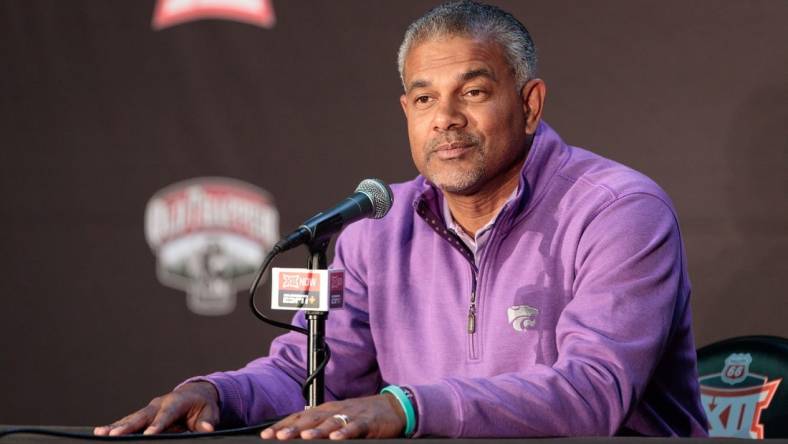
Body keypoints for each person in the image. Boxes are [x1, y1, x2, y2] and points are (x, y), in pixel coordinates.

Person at [95, 1, 708, 439]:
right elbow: (311, 375)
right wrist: (217, 395)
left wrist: (408, 409)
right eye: (423, 98)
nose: (444, 118)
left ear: (529, 103)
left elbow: (591, 394)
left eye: (471, 92)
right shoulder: (376, 229)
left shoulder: (616, 211)